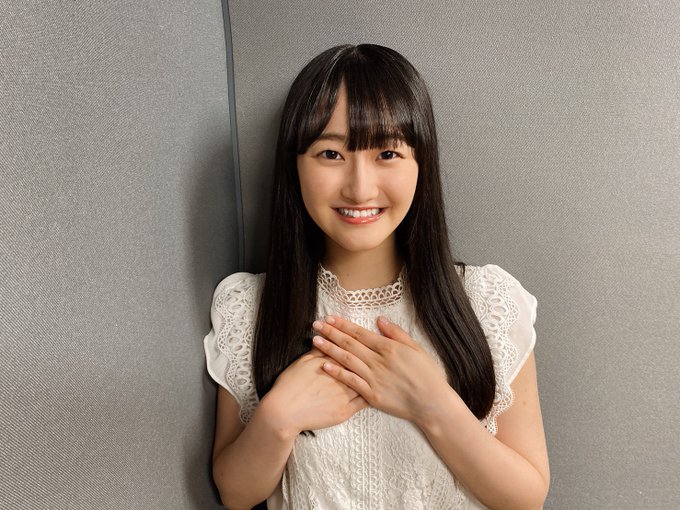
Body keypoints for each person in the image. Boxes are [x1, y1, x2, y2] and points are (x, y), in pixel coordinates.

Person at [203, 44, 549, 510]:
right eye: (331, 153)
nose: (360, 187)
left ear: (421, 163)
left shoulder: (487, 301)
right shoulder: (251, 306)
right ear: (295, 165)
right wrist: (278, 418)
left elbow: (526, 497)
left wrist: (432, 404)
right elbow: (236, 493)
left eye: (387, 152)